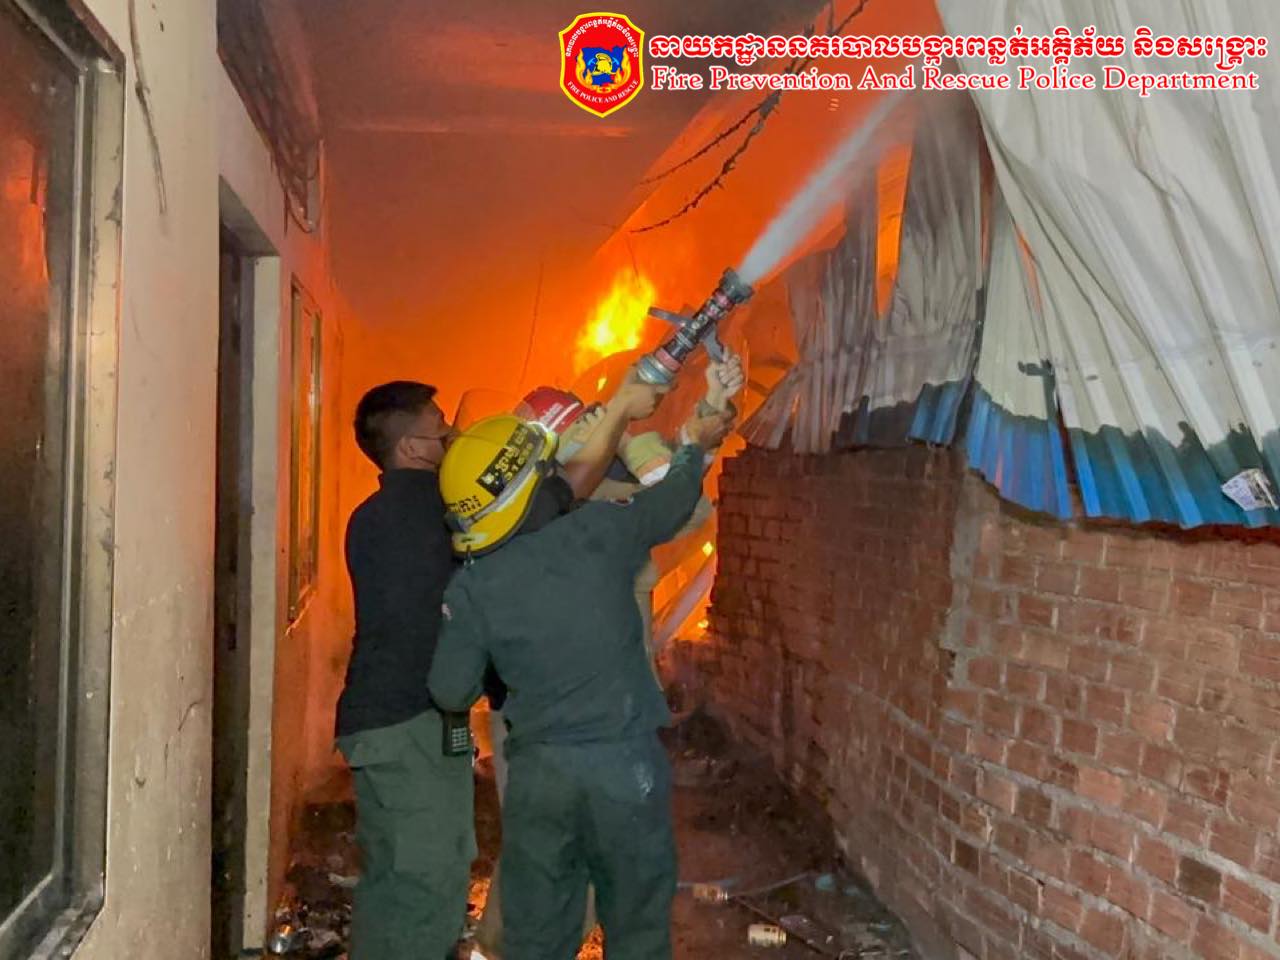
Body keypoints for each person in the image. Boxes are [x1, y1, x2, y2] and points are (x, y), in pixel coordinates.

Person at [429, 400, 735, 960]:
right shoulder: (599, 530)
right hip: (625, 765)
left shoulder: (471, 586)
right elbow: (672, 501)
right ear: (531, 484)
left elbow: (450, 691)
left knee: (537, 927)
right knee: (637, 923)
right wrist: (693, 447)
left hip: (541, 774)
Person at [334, 381, 474, 960]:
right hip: (410, 722)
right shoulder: (434, 514)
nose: (454, 436)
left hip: (381, 721)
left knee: (392, 881)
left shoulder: (372, 517)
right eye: (442, 429)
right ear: (412, 448)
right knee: (429, 883)